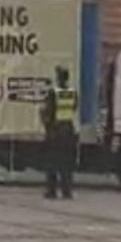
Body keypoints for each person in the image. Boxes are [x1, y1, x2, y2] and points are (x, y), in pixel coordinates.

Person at [39, 65, 78, 199]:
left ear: (58, 78)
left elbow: (48, 112)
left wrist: (45, 121)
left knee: (52, 163)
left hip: (56, 132)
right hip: (69, 130)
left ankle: (51, 191)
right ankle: (67, 191)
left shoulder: (53, 93)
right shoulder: (73, 92)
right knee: (66, 164)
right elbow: (73, 109)